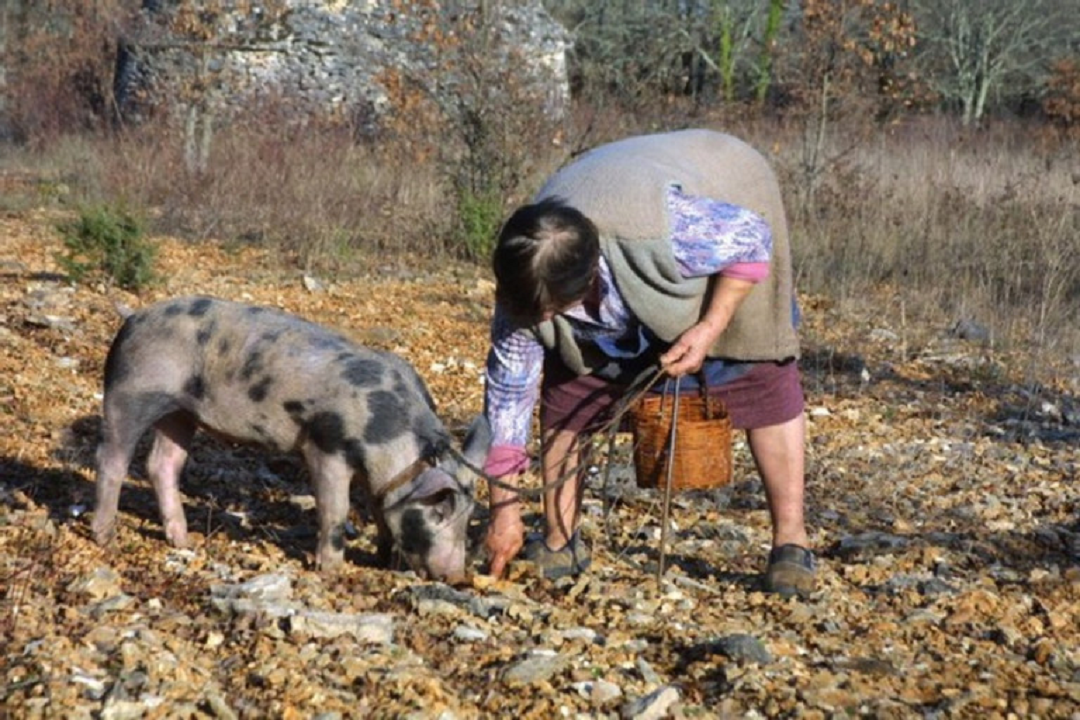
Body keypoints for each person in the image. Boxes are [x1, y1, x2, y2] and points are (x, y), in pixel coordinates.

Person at [480, 129, 814, 597]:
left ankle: (791, 543)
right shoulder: (523, 281)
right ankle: (559, 541)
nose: (539, 321)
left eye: (553, 311)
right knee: (566, 392)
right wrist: (505, 515)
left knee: (759, 373)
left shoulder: (667, 231)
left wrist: (709, 328)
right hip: (623, 208)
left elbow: (751, 237)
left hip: (724, 183)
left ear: (588, 280)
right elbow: (508, 404)